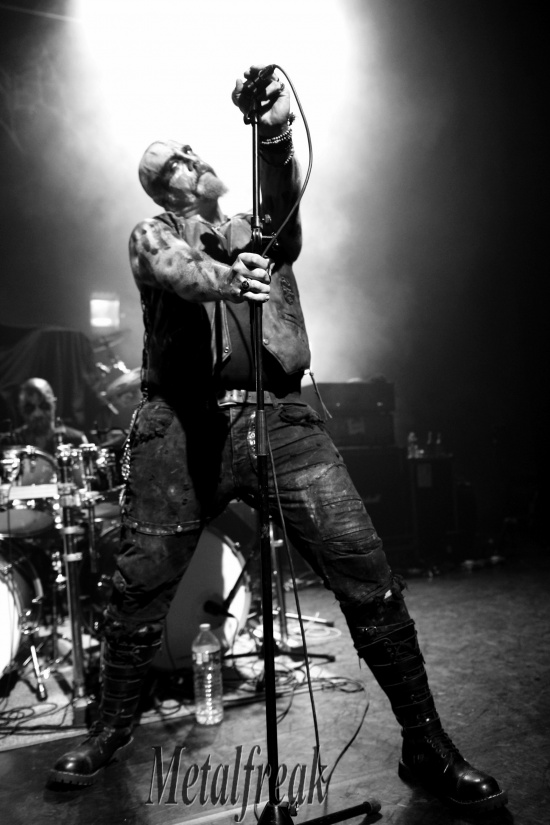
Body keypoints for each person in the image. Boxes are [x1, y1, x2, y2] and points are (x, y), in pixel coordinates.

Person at [49, 65, 507, 814]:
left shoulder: (254, 230)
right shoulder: (154, 233)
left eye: (192, 147)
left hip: (280, 418)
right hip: (181, 427)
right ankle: (109, 730)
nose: (193, 156)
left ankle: (426, 743)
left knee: (366, 571)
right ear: (165, 190)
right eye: (175, 161)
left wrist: (274, 134)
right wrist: (235, 279)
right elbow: (180, 273)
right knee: (140, 587)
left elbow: (285, 219)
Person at [0, 377, 87, 454]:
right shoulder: (11, 443)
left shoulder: (76, 440)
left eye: (44, 406)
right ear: (20, 409)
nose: (37, 413)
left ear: (54, 404)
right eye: (29, 408)